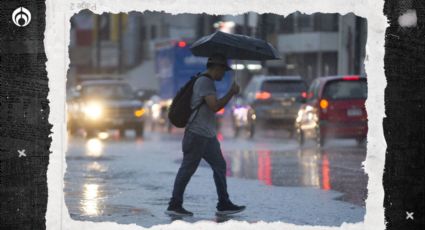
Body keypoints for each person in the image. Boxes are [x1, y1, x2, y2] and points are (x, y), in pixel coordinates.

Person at [165, 54, 246, 217]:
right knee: (187, 169)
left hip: (207, 135)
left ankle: (224, 203)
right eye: (223, 70)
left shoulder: (206, 82)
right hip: (196, 134)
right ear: (217, 68)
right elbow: (214, 106)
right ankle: (175, 204)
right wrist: (231, 92)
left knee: (220, 166)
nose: (224, 74)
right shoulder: (205, 82)